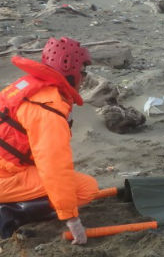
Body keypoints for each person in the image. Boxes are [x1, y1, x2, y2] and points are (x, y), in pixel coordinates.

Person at [0, 37, 98, 244]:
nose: (83, 76)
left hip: (8, 168)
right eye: (83, 71)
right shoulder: (48, 108)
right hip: (4, 176)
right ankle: (9, 212)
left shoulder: (31, 87)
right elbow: (54, 167)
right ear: (70, 70)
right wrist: (72, 219)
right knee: (86, 189)